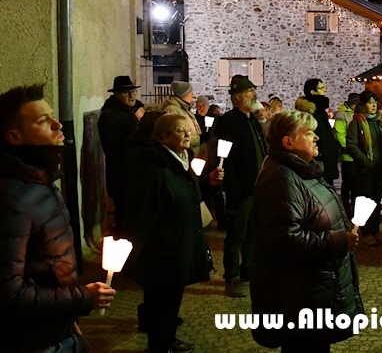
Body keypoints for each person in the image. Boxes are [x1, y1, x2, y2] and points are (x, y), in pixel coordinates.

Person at [0, 84, 116, 352]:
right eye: (43, 121)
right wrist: (83, 298)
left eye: (52, 115)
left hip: (58, 330)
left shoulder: (39, 179)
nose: (58, 125)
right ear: (14, 137)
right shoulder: (12, 198)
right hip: (34, 341)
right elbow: (9, 293)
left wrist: (68, 318)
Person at [250, 110, 364, 352]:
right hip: (299, 296)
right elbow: (284, 240)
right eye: (309, 132)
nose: (317, 137)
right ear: (288, 142)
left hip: (313, 289)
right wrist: (336, 241)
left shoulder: (301, 170)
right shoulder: (282, 178)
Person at [125, 113, 223, 353]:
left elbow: (183, 191)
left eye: (187, 129)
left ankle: (167, 337)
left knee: (172, 297)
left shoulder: (179, 158)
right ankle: (159, 344)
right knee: (161, 299)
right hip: (163, 247)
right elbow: (143, 212)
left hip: (178, 242)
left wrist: (206, 183)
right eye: (180, 130)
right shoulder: (153, 167)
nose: (188, 134)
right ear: (163, 136)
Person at [211, 75, 268, 297]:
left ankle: (248, 271)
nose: (255, 94)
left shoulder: (252, 119)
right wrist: (232, 187)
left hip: (257, 186)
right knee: (237, 235)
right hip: (241, 189)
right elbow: (226, 158)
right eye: (250, 91)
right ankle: (231, 278)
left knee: (253, 233)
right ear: (238, 97)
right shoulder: (229, 121)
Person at [346, 90, 382, 246]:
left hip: (379, 168)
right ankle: (366, 231)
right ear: (363, 104)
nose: (373, 105)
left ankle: (376, 230)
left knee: (376, 201)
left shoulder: (379, 122)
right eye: (370, 102)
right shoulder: (357, 122)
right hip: (365, 170)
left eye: (375, 102)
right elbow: (351, 145)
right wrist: (365, 161)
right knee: (365, 202)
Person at [98, 75, 140, 231]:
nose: (131, 95)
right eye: (125, 92)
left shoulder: (125, 112)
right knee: (124, 214)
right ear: (116, 94)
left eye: (133, 91)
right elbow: (115, 148)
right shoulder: (111, 116)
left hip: (129, 172)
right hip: (121, 174)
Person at [296, 79, 339, 184]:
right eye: (321, 88)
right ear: (313, 92)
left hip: (326, 154)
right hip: (318, 156)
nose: (325, 90)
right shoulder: (310, 111)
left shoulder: (320, 109)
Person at [334, 92, 360, 217]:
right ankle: (346, 205)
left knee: (355, 183)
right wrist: (348, 147)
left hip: (356, 154)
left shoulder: (356, 114)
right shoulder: (342, 115)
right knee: (347, 182)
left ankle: (354, 206)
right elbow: (340, 133)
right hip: (348, 155)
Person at [161, 80, 203, 154]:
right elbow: (176, 134)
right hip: (185, 152)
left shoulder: (186, 109)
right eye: (191, 92)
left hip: (194, 153)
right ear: (186, 94)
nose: (193, 94)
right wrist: (199, 139)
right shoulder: (172, 109)